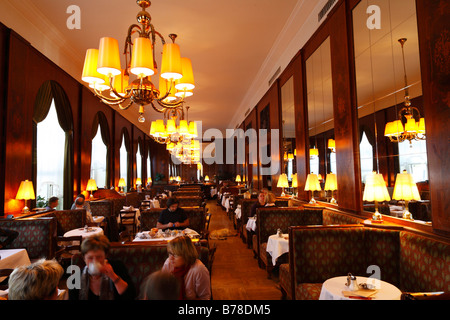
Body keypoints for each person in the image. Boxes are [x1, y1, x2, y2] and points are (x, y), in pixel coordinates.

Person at [68, 235, 136, 300]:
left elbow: (130, 296)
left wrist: (113, 276)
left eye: (99, 257)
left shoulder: (117, 267)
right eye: (90, 258)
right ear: (84, 258)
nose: (95, 261)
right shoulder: (75, 278)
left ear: (105, 255)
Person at [162, 236, 211, 300]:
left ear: (186, 255)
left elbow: (205, 298)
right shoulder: (168, 263)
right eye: (170, 253)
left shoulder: (199, 270)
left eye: (175, 255)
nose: (171, 258)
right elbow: (162, 288)